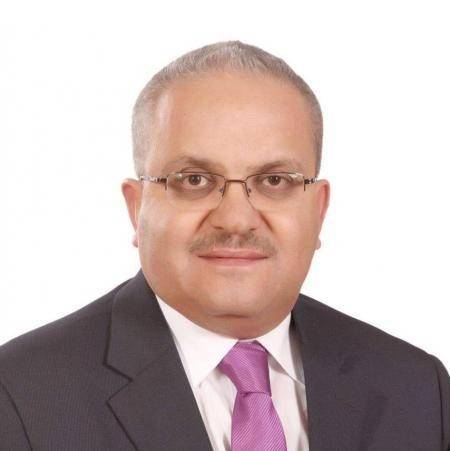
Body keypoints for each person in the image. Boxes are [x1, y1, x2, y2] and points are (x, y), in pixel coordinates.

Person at [0, 40, 448, 451]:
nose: (235, 219)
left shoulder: (418, 389)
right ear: (137, 208)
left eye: (275, 180)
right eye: (194, 180)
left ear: (318, 209)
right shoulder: (20, 396)